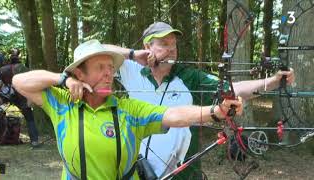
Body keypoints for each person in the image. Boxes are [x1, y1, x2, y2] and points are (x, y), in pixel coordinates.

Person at [12, 39, 243, 179]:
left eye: (111, 68)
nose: (108, 74)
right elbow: (19, 82)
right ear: (80, 74)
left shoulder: (127, 110)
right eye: (100, 67)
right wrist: (62, 79)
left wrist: (216, 112)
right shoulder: (63, 103)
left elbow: (173, 114)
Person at [103, 21, 295, 179]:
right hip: (138, 171)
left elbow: (233, 88)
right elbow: (98, 50)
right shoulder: (132, 70)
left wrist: (274, 81)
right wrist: (132, 54)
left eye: (173, 44)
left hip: (183, 173)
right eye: (164, 44)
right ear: (147, 47)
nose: (171, 49)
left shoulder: (190, 77)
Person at [0, 49, 39, 147]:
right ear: (18, 58)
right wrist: (30, 99)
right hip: (21, 95)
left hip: (6, 96)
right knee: (29, 117)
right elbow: (31, 84)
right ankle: (34, 141)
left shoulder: (3, 69)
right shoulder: (23, 68)